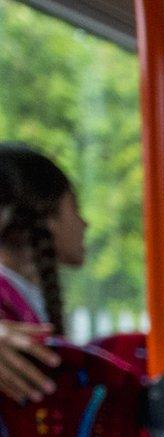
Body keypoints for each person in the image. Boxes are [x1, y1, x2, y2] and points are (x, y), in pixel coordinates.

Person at [0, 143, 83, 403]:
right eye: (75, 208)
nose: (84, 223)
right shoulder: (7, 308)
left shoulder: (25, 300)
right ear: (49, 219)